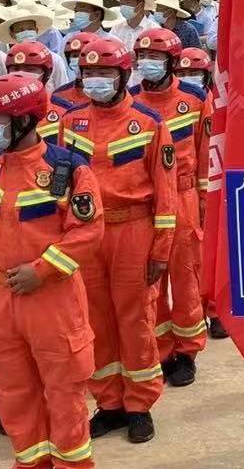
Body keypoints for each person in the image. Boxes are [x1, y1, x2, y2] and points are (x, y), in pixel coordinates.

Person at [0, 72, 102, 469]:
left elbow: (88, 231)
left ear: (24, 120)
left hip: (51, 296)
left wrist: (41, 270)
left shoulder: (67, 168)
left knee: (63, 387)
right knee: (14, 389)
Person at [58, 35, 177, 444]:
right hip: (87, 234)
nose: (95, 80)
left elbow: (166, 192)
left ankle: (139, 404)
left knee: (135, 318)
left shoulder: (148, 123)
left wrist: (161, 248)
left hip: (133, 230)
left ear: (123, 74)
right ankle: (109, 402)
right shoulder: (70, 122)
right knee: (95, 320)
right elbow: (63, 187)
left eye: (104, 72)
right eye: (88, 73)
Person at [132, 27, 211, 387]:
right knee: (151, 278)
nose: (148, 64)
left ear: (173, 62)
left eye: (157, 58)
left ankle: (187, 349)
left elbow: (204, 155)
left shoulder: (195, 99)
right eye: (143, 57)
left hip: (183, 197)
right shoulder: (131, 100)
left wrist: (203, 200)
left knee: (184, 275)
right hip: (145, 202)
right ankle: (162, 348)